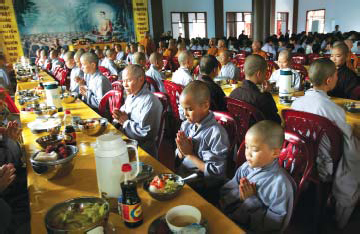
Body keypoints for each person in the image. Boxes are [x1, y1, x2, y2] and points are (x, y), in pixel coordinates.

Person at [291, 58, 360, 228]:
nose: (337, 78)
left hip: (300, 157)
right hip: (323, 163)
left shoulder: (296, 102)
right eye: (336, 75)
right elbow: (348, 143)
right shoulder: (334, 110)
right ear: (329, 80)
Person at [220, 120, 295, 233]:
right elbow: (225, 191)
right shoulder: (246, 167)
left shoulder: (280, 185)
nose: (248, 153)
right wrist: (239, 195)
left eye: (254, 150)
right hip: (230, 218)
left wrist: (251, 200)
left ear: (275, 153)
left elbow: (273, 226)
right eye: (246, 147)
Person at [175, 80, 230, 201]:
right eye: (183, 109)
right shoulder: (186, 125)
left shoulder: (216, 133)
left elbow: (217, 174)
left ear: (205, 105)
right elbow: (179, 157)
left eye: (189, 109)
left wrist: (189, 155)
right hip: (183, 176)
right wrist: (180, 150)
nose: (185, 114)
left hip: (202, 188)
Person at [112, 65, 163, 157]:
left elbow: (146, 134)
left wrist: (125, 122)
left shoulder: (151, 102)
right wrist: (117, 116)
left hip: (141, 151)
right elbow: (123, 114)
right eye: (123, 81)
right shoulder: (132, 95)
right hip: (126, 142)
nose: (125, 85)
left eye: (128, 80)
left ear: (141, 79)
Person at [230, 55, 281, 124]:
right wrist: (267, 94)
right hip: (260, 133)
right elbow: (276, 121)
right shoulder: (262, 98)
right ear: (259, 74)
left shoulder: (233, 93)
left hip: (237, 133)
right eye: (265, 73)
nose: (265, 76)